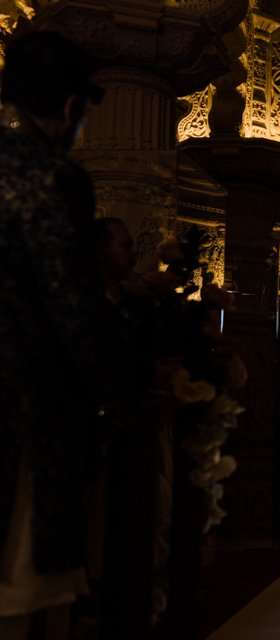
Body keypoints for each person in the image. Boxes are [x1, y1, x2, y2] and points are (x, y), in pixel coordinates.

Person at [0, 31, 124, 640]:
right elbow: (72, 305)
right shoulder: (52, 176)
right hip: (28, 408)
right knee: (27, 588)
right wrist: (114, 392)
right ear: (74, 108)